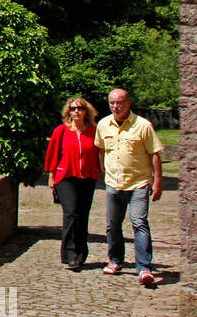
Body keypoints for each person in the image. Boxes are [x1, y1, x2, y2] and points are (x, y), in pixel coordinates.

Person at [95, 88, 164, 286]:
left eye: (120, 103)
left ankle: (144, 268)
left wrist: (157, 181)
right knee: (113, 225)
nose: (116, 106)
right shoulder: (103, 124)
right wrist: (102, 169)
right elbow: (101, 149)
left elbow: (155, 154)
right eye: (112, 103)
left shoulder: (143, 125)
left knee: (139, 223)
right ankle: (115, 261)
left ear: (128, 103)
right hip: (114, 182)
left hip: (138, 183)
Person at [44, 96, 101, 270]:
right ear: (68, 112)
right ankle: (70, 254)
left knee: (83, 215)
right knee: (71, 212)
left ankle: (81, 253)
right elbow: (53, 154)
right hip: (66, 177)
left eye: (80, 108)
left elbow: (100, 153)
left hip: (87, 178)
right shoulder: (61, 131)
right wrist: (51, 177)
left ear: (86, 111)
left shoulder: (93, 131)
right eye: (73, 108)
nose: (77, 111)